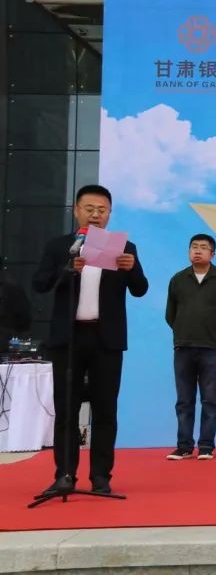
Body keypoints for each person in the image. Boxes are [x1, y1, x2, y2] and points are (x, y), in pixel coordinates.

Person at [32, 184, 148, 496]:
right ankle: (65, 475)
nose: (96, 215)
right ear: (76, 211)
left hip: (106, 339)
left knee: (105, 410)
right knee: (66, 410)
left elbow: (140, 289)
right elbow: (39, 284)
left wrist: (132, 269)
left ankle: (100, 476)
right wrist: (67, 269)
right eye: (90, 209)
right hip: (68, 339)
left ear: (109, 214)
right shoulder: (60, 247)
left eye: (102, 210)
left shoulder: (124, 248)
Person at [164, 234, 216, 461]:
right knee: (184, 400)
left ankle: (206, 446)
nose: (198, 251)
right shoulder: (178, 279)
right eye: (194, 247)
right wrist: (182, 331)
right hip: (183, 347)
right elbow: (170, 314)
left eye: (203, 247)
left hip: (211, 347)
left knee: (210, 399)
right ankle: (184, 446)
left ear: (212, 254)